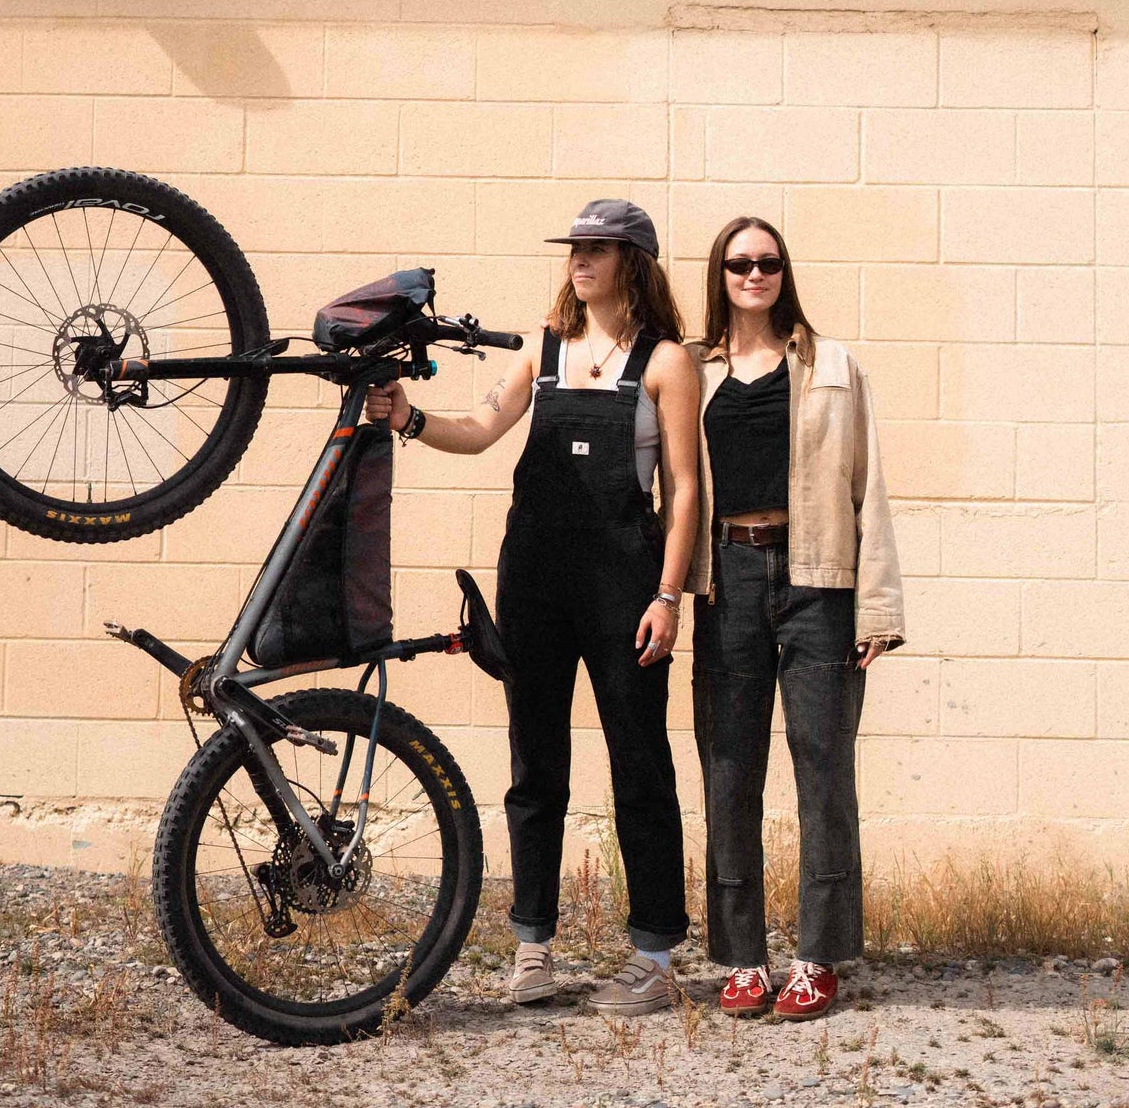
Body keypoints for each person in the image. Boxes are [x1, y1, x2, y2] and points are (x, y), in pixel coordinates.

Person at [367, 199, 700, 1018]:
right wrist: (408, 416)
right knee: (535, 765)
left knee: (640, 765)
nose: (579, 259)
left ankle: (654, 957)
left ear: (634, 261)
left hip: (626, 589)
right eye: (575, 247)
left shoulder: (666, 362)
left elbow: (687, 488)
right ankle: (533, 949)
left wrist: (668, 595)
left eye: (597, 248)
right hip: (537, 583)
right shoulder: (541, 350)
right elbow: (481, 429)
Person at [689, 215, 905, 1023]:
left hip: (820, 582)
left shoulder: (835, 366)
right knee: (730, 773)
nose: (754, 273)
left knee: (824, 771)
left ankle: (817, 958)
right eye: (740, 262)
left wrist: (877, 604)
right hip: (727, 581)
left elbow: (869, 485)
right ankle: (744, 960)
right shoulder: (690, 368)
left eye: (768, 262)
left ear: (785, 270)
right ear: (721, 273)